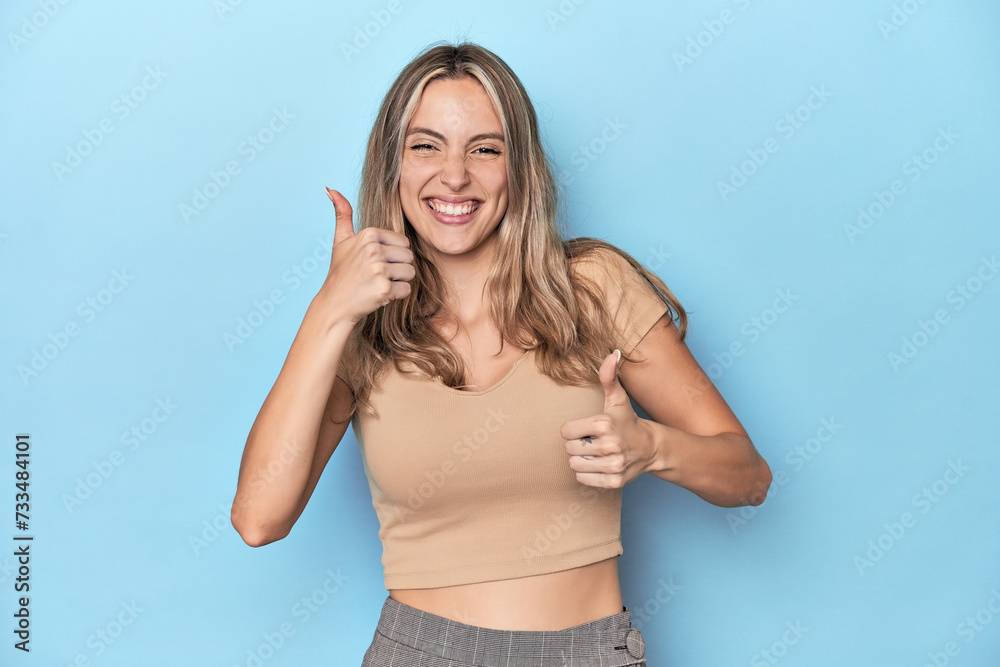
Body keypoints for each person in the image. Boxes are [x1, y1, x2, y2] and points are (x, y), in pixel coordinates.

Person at [231, 41, 772, 666]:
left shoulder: (593, 286)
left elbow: (748, 476)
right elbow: (258, 519)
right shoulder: (361, 330)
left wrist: (653, 448)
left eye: (485, 149)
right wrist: (329, 310)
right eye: (425, 145)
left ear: (522, 169)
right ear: (393, 167)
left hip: (587, 651)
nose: (454, 175)